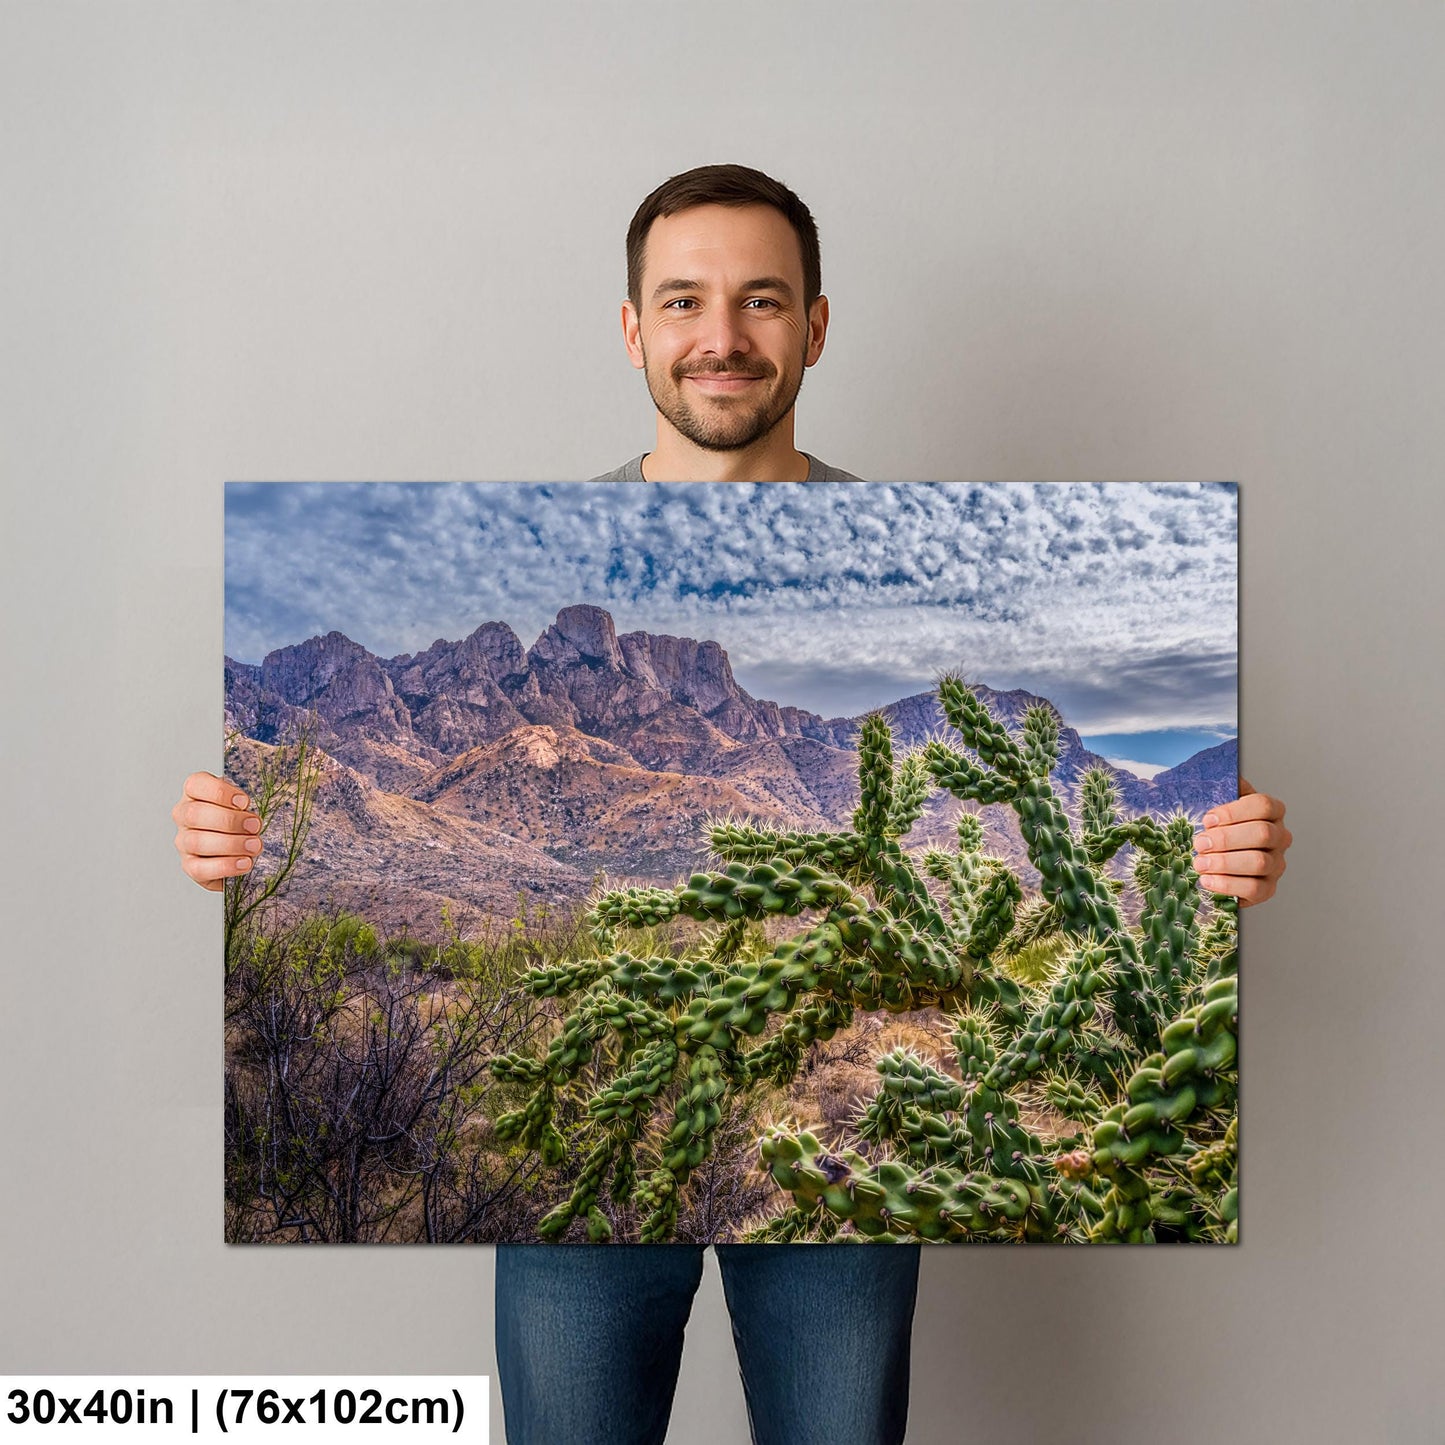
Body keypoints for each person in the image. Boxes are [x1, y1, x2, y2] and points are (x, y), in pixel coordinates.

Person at [172, 164, 1292, 1445]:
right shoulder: (544, 541)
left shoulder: (912, 548)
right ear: (633, 326)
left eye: (761, 301)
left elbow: (1113, 856)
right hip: (593, 1102)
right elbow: (284, 831)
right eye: (684, 300)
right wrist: (243, 841)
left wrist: (1211, 855)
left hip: (849, 1132)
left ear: (814, 326)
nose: (721, 336)